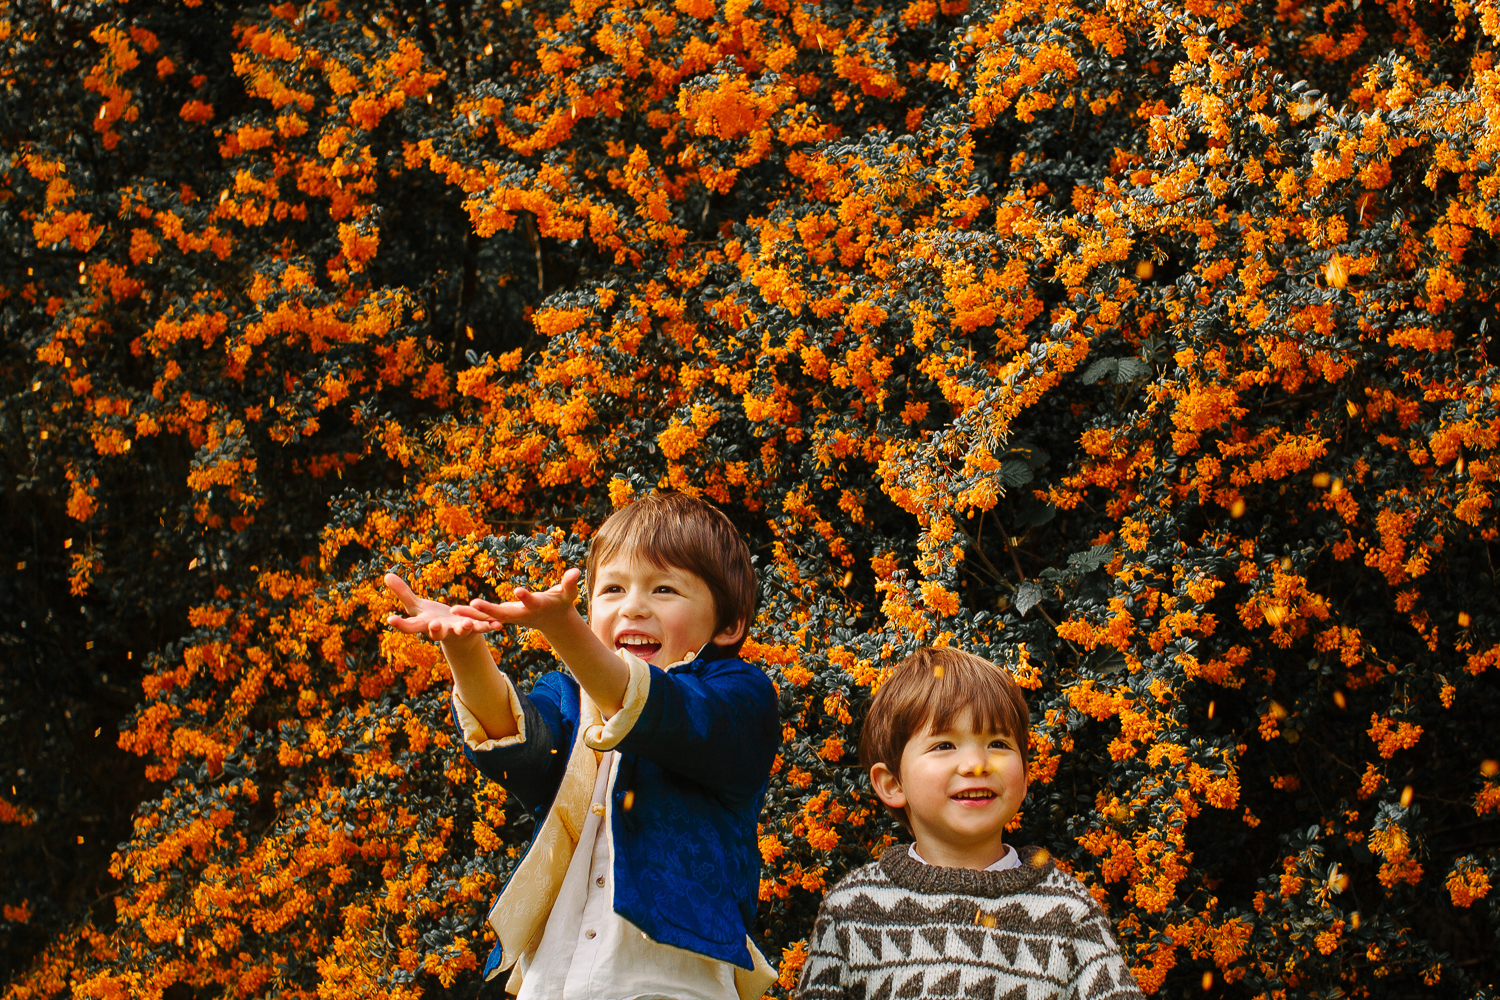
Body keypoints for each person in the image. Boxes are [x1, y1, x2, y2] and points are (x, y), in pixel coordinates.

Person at [385, 492, 779, 1000]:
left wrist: (561, 627)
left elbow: (666, 714)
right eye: (612, 588)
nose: (634, 605)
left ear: (728, 625)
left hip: (669, 981)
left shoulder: (739, 696)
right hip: (556, 979)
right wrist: (463, 648)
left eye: (664, 589)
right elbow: (518, 742)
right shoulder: (568, 695)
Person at [796, 647, 1144, 1000]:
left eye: (997, 743)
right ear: (893, 784)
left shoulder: (1068, 913)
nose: (977, 764)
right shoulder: (853, 910)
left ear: (1025, 776)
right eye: (945, 744)